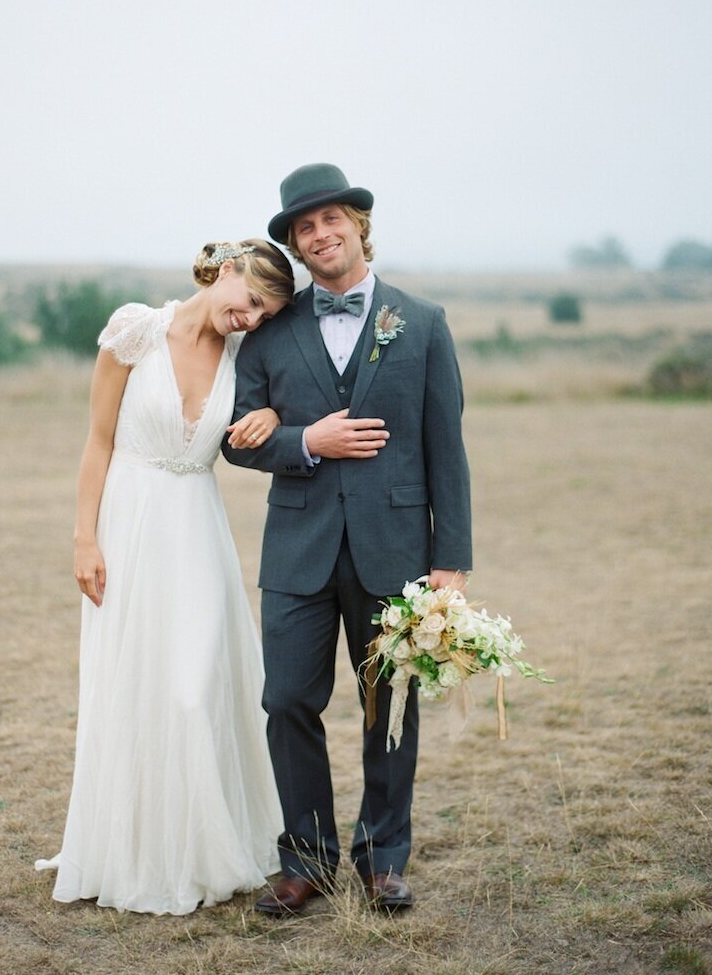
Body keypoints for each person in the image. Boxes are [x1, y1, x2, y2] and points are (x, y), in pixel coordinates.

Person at [223, 164, 472, 914]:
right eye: (305, 227)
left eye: (332, 219)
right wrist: (306, 439)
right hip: (297, 552)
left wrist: (451, 559)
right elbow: (238, 439)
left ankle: (383, 858)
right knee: (287, 699)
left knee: (387, 705)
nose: (321, 234)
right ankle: (304, 859)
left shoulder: (421, 322)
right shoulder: (272, 331)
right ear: (295, 246)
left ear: (358, 225)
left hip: (393, 548)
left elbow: (445, 448)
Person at [36, 239, 295, 914]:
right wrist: (83, 536)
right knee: (131, 681)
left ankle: (205, 841)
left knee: (195, 686)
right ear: (227, 272)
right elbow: (97, 439)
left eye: (266, 314)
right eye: (252, 302)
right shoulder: (133, 331)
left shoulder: (248, 358)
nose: (253, 318)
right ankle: (136, 849)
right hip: (127, 523)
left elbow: (264, 421)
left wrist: (269, 414)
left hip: (196, 529)